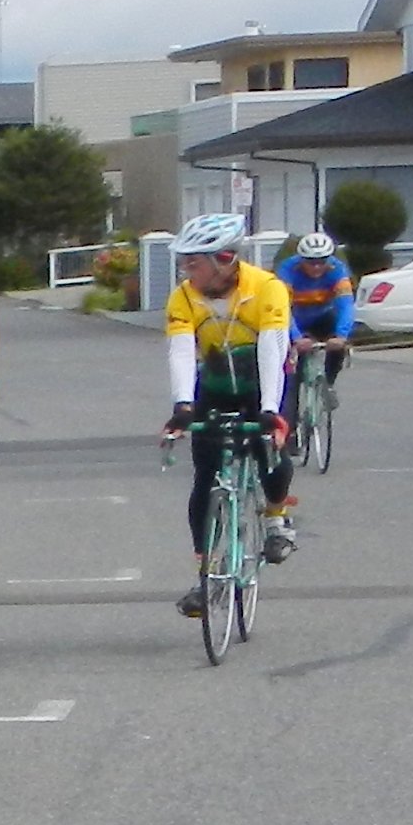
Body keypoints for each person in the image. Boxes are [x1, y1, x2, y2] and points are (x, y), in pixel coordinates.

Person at [162, 214, 296, 607]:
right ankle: (206, 577)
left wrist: (270, 410)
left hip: (263, 384)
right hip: (216, 386)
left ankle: (276, 519)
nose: (186, 271)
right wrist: (182, 406)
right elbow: (181, 350)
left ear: (225, 259)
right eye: (184, 262)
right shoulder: (184, 296)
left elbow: (273, 346)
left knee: (271, 453)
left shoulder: (267, 288)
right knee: (204, 478)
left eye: (194, 262)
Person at [279, 231, 357, 435]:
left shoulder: (337, 269)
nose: (316, 267)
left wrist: (341, 336)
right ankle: (290, 429)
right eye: (310, 262)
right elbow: (281, 307)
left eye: (322, 262)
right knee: (291, 379)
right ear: (301, 260)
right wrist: (296, 338)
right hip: (295, 321)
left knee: (337, 340)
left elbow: (346, 305)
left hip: (321, 319)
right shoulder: (288, 269)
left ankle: (328, 384)